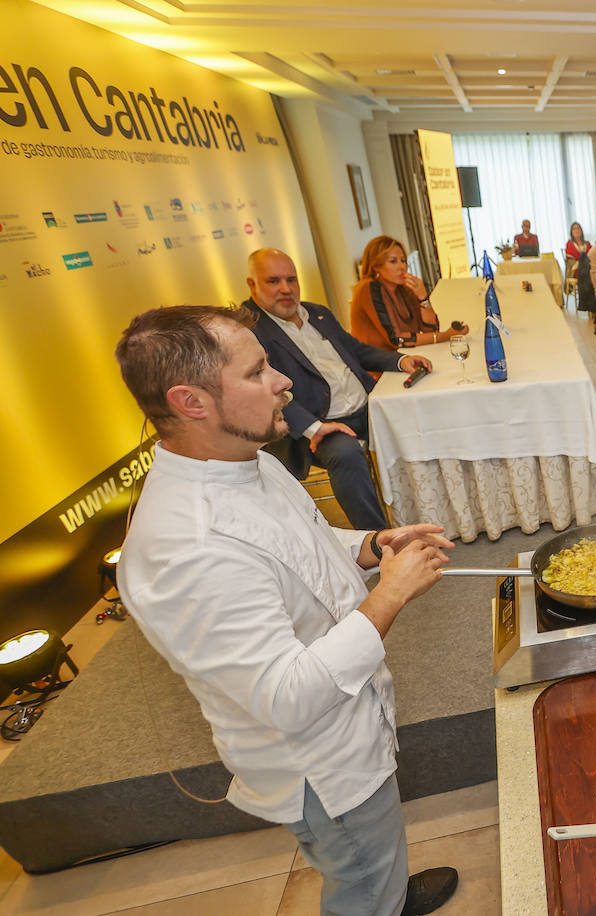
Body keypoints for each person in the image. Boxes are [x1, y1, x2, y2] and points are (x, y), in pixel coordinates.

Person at [113, 305, 461, 916]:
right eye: (257, 372)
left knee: (377, 859)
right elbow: (287, 697)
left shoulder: (245, 458)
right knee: (359, 881)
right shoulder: (188, 548)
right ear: (191, 402)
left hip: (353, 723)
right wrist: (391, 595)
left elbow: (304, 542)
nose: (283, 380)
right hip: (321, 765)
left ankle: (395, 892)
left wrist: (368, 547)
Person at [244, 249, 428, 531]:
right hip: (318, 424)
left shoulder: (317, 313)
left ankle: (428, 513)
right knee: (346, 453)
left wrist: (401, 360)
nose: (285, 289)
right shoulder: (249, 331)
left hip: (366, 406)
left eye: (291, 280)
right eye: (273, 281)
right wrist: (313, 427)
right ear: (252, 284)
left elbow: (355, 350)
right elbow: (261, 391)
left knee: (418, 416)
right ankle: (380, 542)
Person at [350, 236, 462, 353]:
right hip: (377, 367)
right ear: (376, 266)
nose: (402, 267)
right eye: (393, 261)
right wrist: (446, 336)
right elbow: (397, 339)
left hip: (405, 358)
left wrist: (423, 297)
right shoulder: (369, 288)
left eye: (403, 260)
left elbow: (431, 330)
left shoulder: (403, 289)